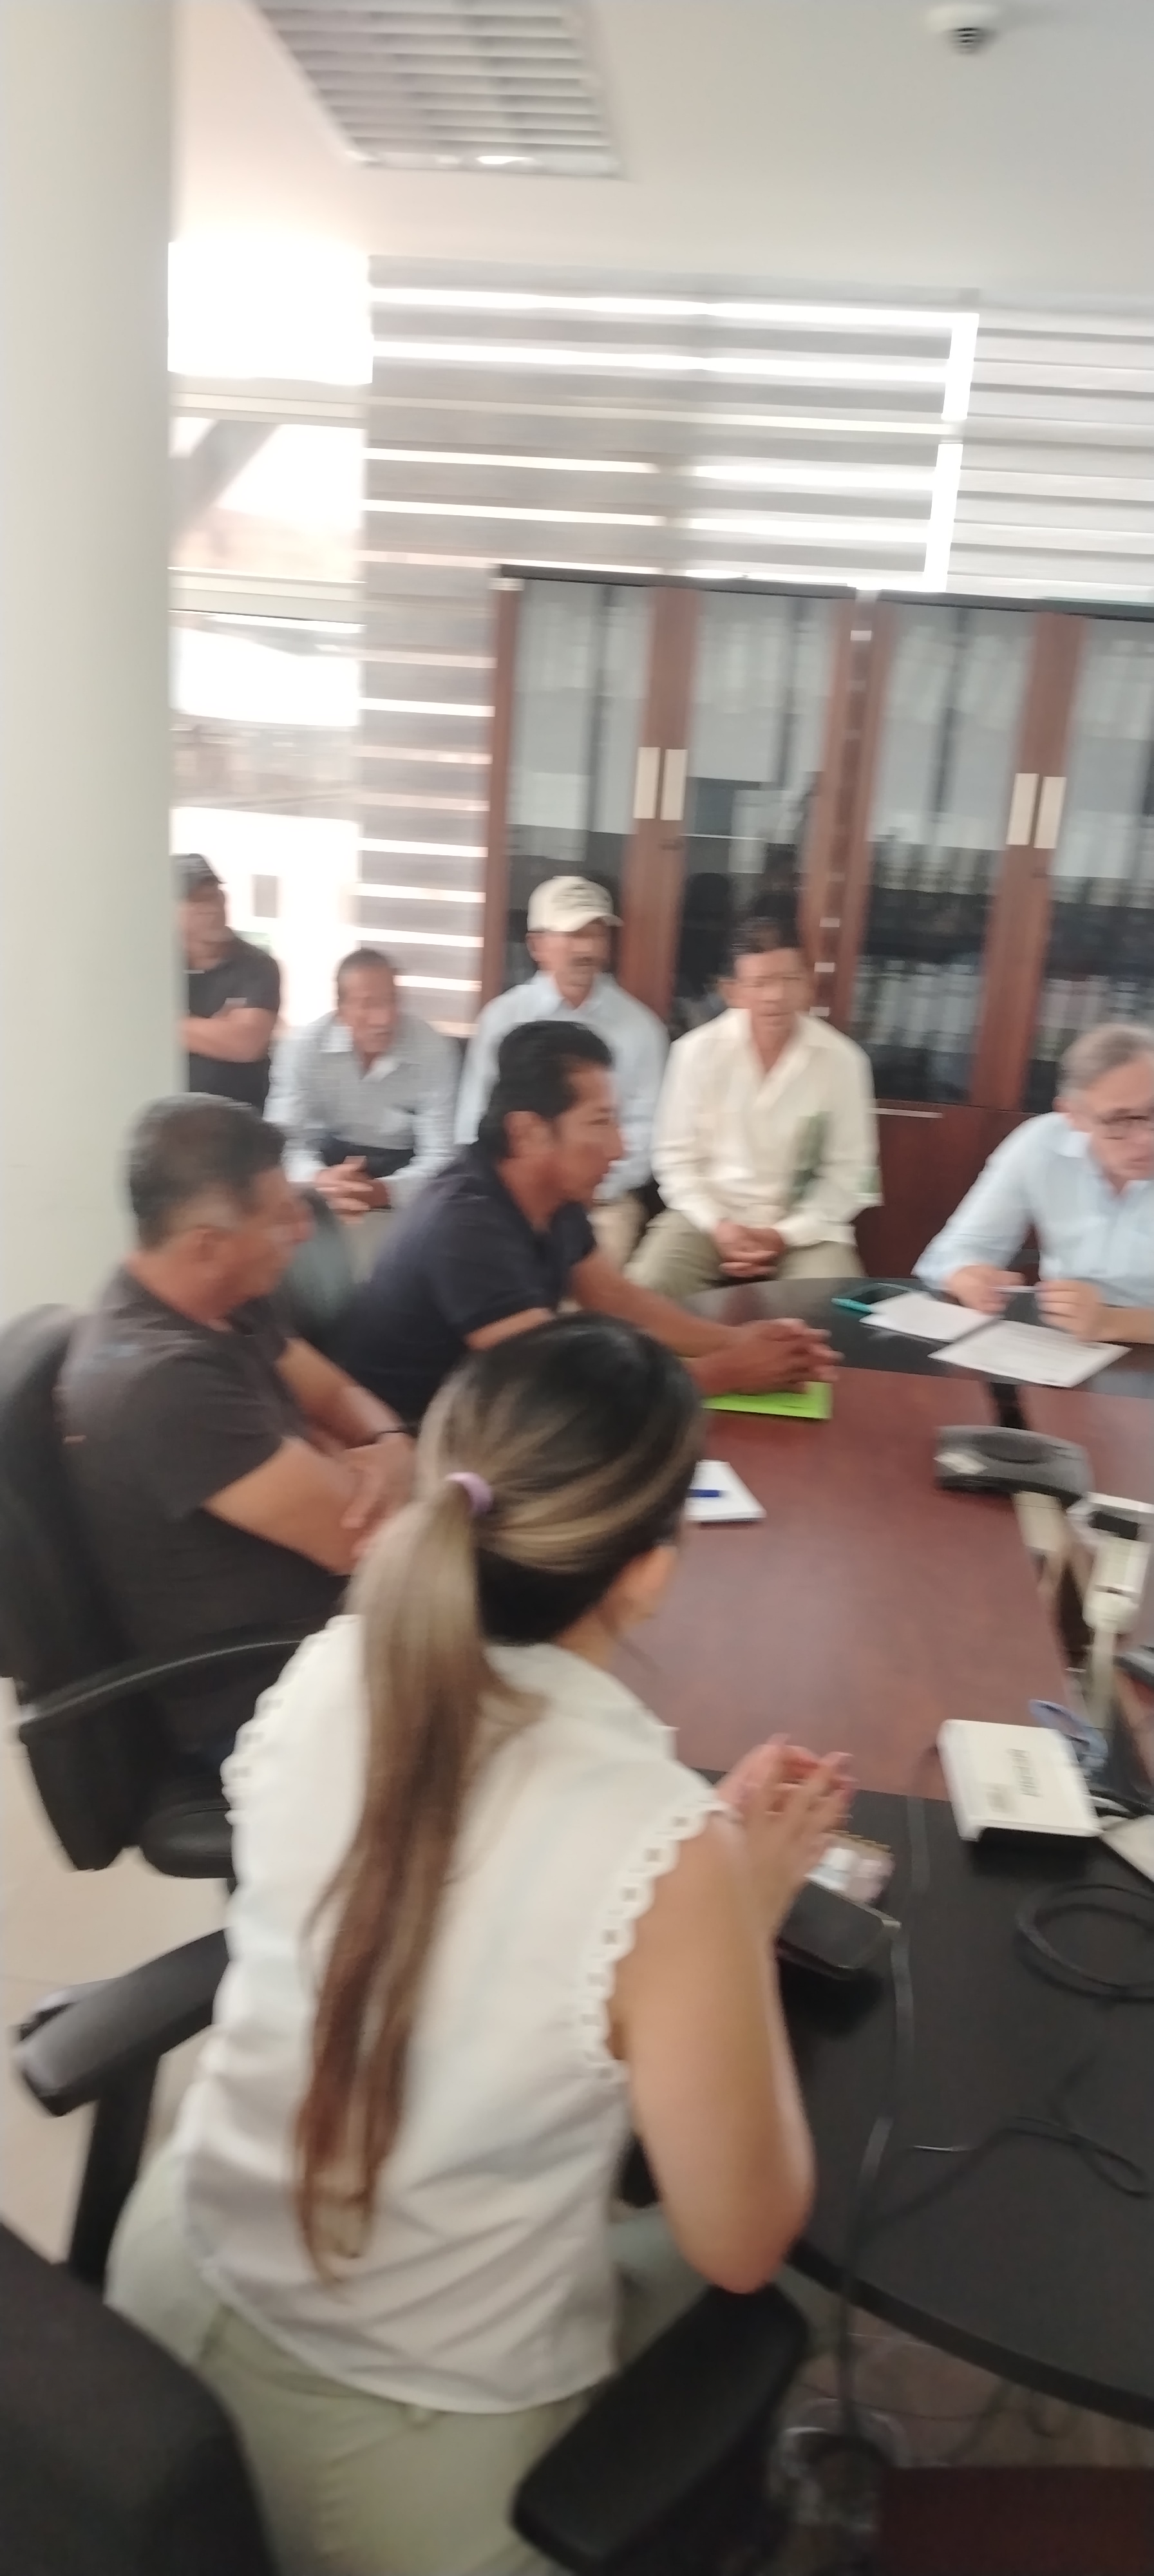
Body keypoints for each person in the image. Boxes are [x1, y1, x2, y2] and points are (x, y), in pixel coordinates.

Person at [109, 1314, 849, 2576]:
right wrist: (731, 1903)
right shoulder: (658, 1846)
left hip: (159, 2308)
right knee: (815, 2277)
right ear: (647, 1571)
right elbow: (740, 2238)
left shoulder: (334, 1665)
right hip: (392, 2462)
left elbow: (452, 1895)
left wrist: (697, 1888)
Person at [60, 1097, 413, 1765]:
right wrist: (348, 1458)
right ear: (207, 1245)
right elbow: (357, 1537)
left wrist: (386, 1444)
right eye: (281, 1217)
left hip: (331, 1639)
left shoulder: (226, 1298)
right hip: (267, 1699)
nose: (303, 1230)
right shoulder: (162, 1382)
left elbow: (334, 1394)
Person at [334, 1019, 835, 1424]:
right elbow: (559, 1393)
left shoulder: (554, 1193)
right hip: (411, 1442)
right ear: (528, 1132)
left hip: (490, 1415)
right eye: (600, 1122)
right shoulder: (465, 1226)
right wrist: (726, 1372)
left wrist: (739, 1341)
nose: (619, 1147)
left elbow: (617, 1299)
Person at [628, 911, 880, 1300]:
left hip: (806, 1230)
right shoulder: (695, 1053)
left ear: (808, 984)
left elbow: (852, 1174)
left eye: (788, 980)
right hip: (707, 1219)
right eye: (761, 983)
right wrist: (719, 1225)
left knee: (835, 1304)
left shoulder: (844, 1062)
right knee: (646, 1287)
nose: (775, 996)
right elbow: (674, 1159)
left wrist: (785, 1234)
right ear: (733, 992)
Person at [455, 875, 667, 1266]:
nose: (587, 948)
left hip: (602, 1201)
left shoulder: (641, 1028)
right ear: (537, 945)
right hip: (511, 1198)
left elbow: (643, 1133)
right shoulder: (502, 1019)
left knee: (590, 1285)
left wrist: (589, 1186)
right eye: (572, 935)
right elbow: (473, 1126)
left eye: (597, 935)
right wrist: (519, 1194)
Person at [916, 1020, 1154, 1341]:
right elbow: (949, 1254)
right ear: (1072, 1115)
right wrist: (966, 1276)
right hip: (1062, 1339)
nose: (1145, 1139)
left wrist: (1113, 1322)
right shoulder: (1040, 1143)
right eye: (1119, 1120)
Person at [267, 947, 459, 1271]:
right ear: (341, 1010)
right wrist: (320, 1181)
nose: (384, 1019)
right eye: (368, 1004)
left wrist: (383, 1192)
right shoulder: (302, 1049)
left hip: (404, 1165)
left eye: (392, 1001)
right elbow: (282, 1142)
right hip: (327, 1162)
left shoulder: (433, 1049)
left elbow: (441, 1158)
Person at [178, 853, 281, 1113]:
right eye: (197, 900)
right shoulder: (154, 967)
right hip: (168, 1116)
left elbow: (246, 1043)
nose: (212, 908)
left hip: (237, 1117)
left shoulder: (257, 966)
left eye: (215, 896)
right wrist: (213, 1031)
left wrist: (166, 1024)